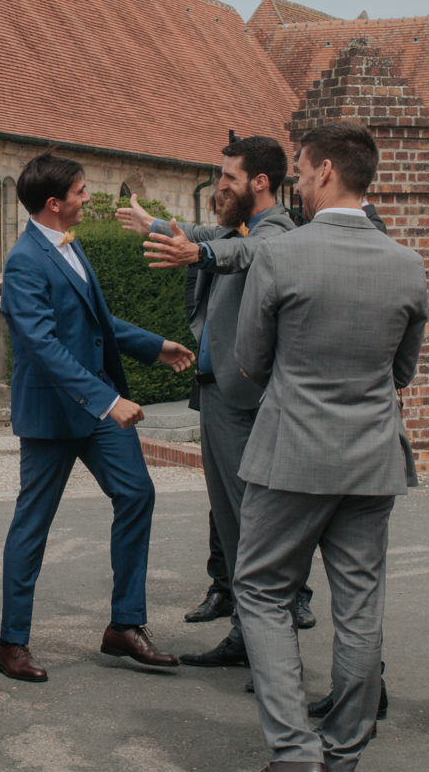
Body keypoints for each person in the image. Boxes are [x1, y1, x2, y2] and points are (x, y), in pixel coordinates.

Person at [219, 121, 426, 772]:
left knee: (261, 588)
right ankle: (341, 756)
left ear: (328, 170)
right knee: (360, 606)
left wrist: (281, 391)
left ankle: (292, 749)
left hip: (292, 453)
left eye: (302, 172)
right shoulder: (408, 263)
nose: (297, 185)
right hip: (372, 455)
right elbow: (402, 369)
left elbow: (246, 366)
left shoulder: (280, 256)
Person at [0, 152, 194, 683]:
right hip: (54, 414)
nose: (88, 199)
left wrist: (155, 346)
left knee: (137, 494)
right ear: (55, 203)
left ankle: (124, 627)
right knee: (32, 526)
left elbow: (97, 322)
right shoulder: (23, 261)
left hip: (97, 406)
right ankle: (11, 642)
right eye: (81, 193)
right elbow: (41, 345)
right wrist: (107, 401)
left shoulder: (70, 244)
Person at [119, 134, 299, 668]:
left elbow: (245, 253)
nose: (219, 185)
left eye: (228, 178)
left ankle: (266, 645)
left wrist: (197, 253)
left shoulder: (277, 231)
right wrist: (154, 224)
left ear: (260, 182)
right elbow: (209, 234)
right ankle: (249, 636)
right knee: (232, 519)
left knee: (252, 524)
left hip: (244, 398)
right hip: (218, 394)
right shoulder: (239, 226)